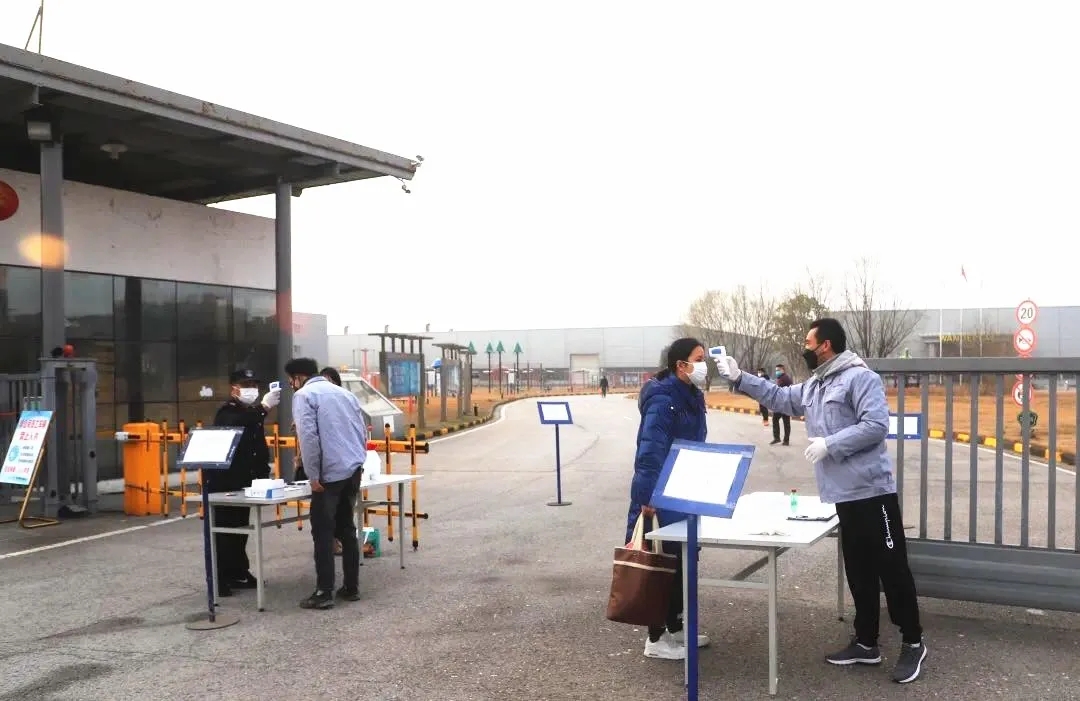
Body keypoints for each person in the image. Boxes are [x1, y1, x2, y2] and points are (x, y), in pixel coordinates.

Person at [713, 318, 927, 684]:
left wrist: (831, 443)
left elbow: (876, 425)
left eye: (808, 342)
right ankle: (866, 642)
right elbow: (779, 398)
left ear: (825, 345)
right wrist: (739, 377)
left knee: (892, 570)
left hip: (873, 493)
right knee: (858, 571)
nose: (805, 348)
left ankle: (913, 641)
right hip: (842, 495)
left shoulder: (861, 378)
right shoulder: (815, 384)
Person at [626, 338, 711, 661]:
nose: (703, 365)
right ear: (681, 365)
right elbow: (650, 450)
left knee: (682, 560)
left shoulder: (691, 395)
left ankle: (676, 627)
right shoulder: (663, 399)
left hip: (684, 491)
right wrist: (647, 497)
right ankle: (655, 637)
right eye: (698, 358)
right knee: (658, 565)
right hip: (660, 494)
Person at [287, 357, 368, 610]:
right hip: (352, 469)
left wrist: (312, 476)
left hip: (328, 475)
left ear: (298, 378)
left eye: (291, 381)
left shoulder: (304, 396)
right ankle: (351, 587)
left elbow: (308, 438)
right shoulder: (345, 394)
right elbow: (361, 431)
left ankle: (324, 591)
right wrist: (358, 463)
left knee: (323, 532)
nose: (292, 385)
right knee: (346, 528)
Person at [208, 368, 281, 597]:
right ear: (234, 388)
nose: (252, 389)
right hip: (226, 483)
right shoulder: (227, 412)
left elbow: (256, 445)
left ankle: (239, 571)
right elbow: (239, 423)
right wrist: (264, 407)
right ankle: (220, 578)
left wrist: (263, 472)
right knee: (224, 532)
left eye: (254, 385)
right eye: (246, 385)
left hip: (246, 481)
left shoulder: (251, 413)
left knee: (240, 530)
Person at [293, 366, 349, 555]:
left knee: (337, 515)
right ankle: (331, 545)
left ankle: (334, 546)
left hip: (336, 468)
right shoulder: (306, 400)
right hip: (322, 467)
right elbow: (308, 438)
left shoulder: (341, 401)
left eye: (330, 381)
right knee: (323, 515)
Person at [771, 364, 793, 445]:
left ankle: (777, 438)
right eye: (776, 370)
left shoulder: (783, 379)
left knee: (776, 419)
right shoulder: (784, 378)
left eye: (778, 370)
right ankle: (786, 441)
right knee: (786, 422)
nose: (776, 372)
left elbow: (778, 390)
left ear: (783, 370)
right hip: (786, 403)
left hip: (781, 403)